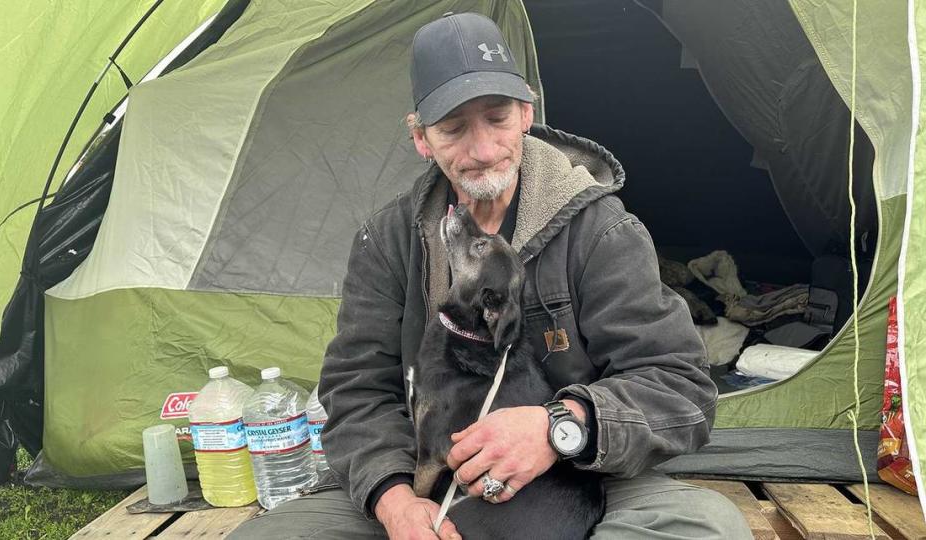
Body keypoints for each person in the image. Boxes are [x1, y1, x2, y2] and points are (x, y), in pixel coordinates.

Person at [230, 12, 752, 540]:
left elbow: (679, 386)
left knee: (705, 527)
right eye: (453, 129)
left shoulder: (602, 231)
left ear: (526, 111)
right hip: (420, 471)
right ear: (421, 138)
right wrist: (394, 502)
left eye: (497, 118)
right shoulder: (387, 239)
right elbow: (355, 389)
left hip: (580, 475)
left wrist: (559, 427)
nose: (481, 151)